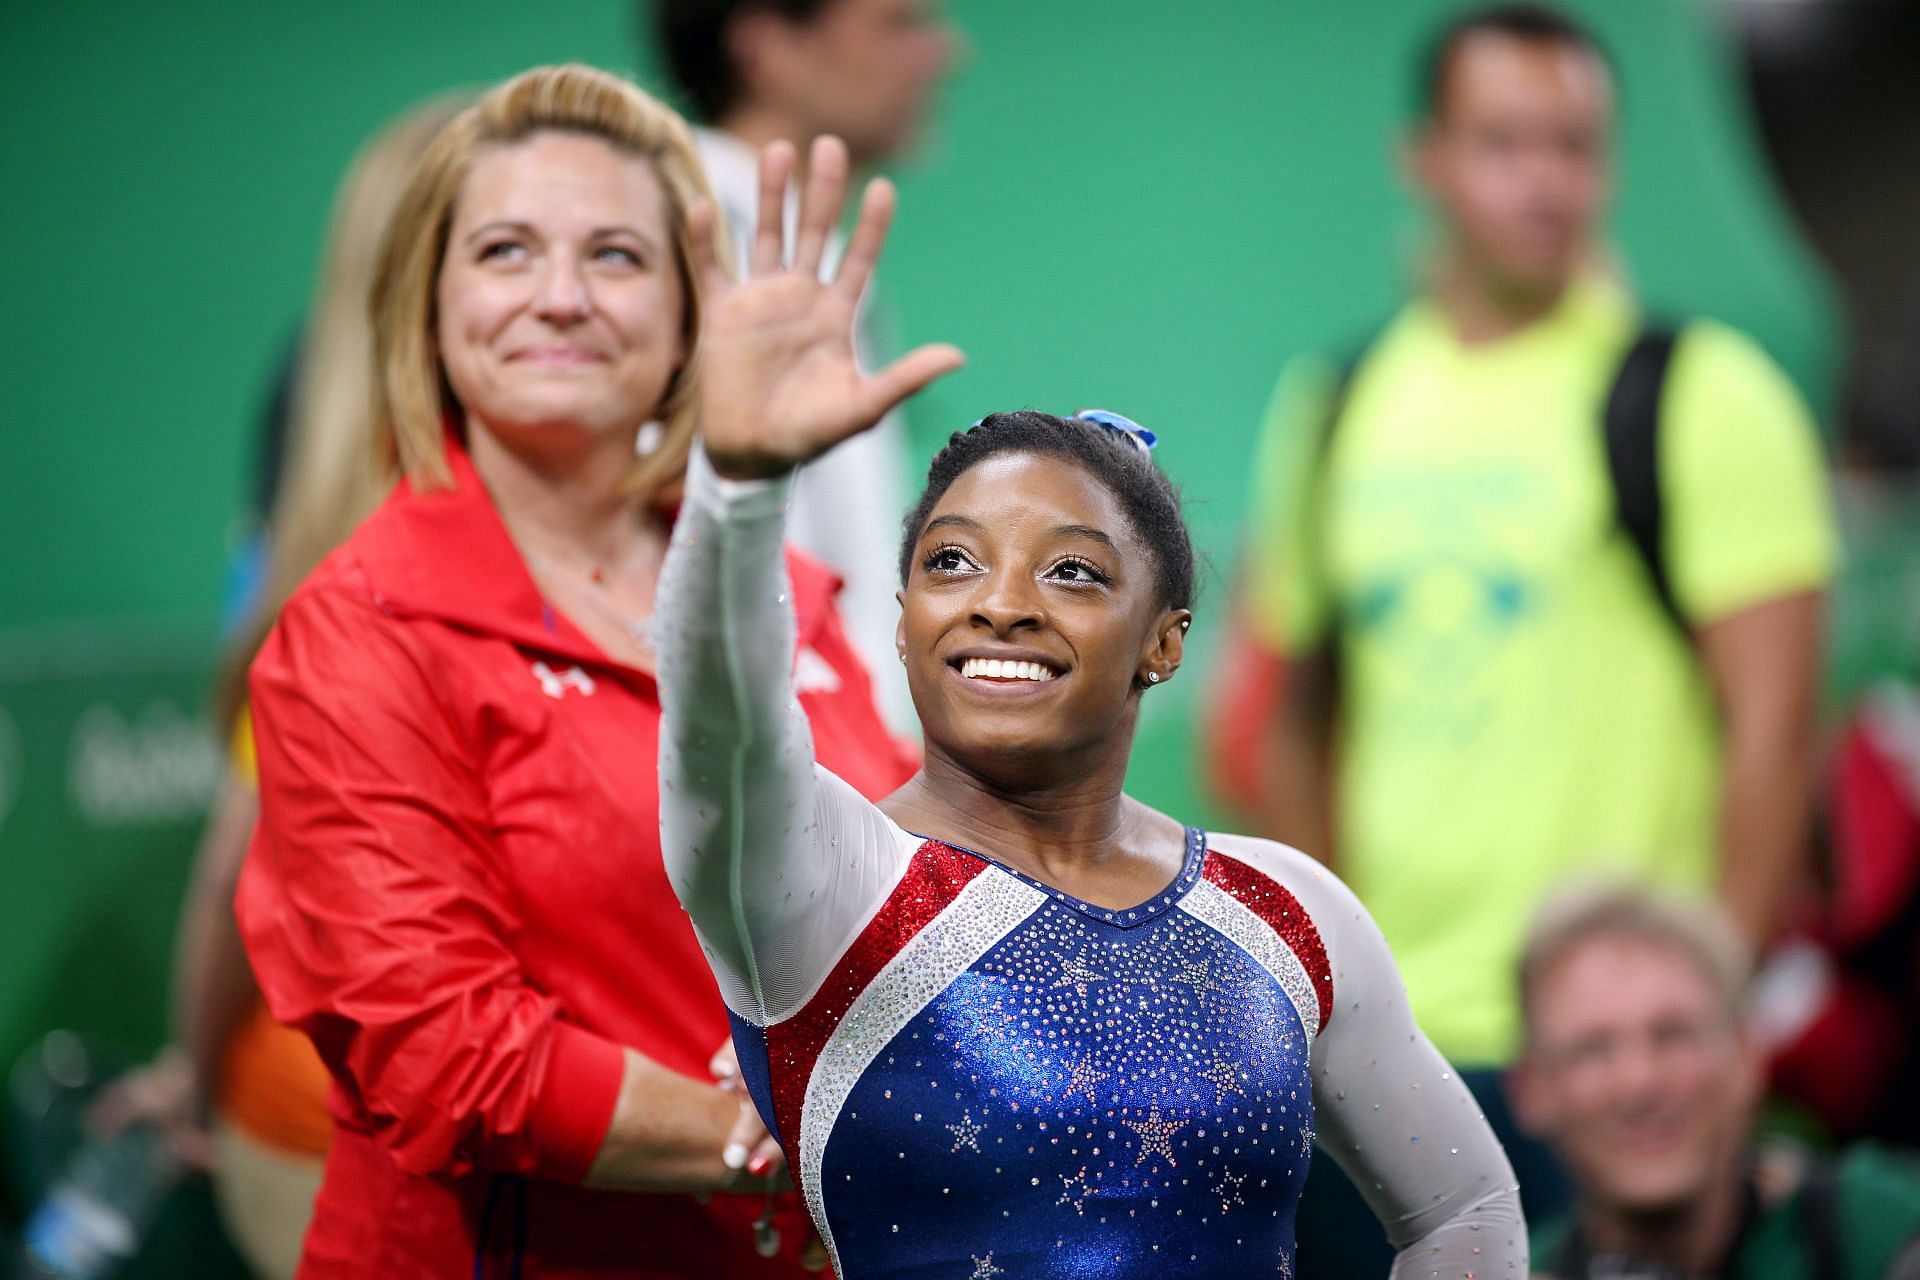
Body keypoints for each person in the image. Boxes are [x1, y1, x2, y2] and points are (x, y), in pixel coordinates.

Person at [653, 132, 1526, 1278]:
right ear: (903, 613)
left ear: (1164, 642)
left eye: (1072, 571)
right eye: (953, 563)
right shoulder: (823, 883)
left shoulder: (1290, 911)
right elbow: (720, 711)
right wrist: (740, 481)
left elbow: (1464, 1206)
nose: (1001, 605)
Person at [235, 64, 918, 1278]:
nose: (560, 297)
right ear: (430, 304)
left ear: (683, 312)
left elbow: (900, 897)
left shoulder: (776, 596)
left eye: (615, 256)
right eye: (504, 251)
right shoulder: (363, 626)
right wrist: (771, 1136)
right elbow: (450, 1053)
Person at [1234, 4, 1838, 1258]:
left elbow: (1776, 730)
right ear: (1428, 160)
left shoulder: (1701, 391)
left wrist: (1701, 1020)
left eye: (1576, 146)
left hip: (1615, 1060)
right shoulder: (1336, 402)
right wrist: (1322, 986)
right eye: (1506, 142)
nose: (1546, 181)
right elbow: (1283, 713)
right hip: (1397, 1049)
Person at [88, 93, 466, 1280]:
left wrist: (187, 1072)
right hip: (358, 1151)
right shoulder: (364, 592)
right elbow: (244, 866)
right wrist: (190, 1076)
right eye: (507, 243)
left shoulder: (319, 549)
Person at [651, 0, 957, 730]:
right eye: (900, 24)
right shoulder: (680, 245)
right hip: (761, 763)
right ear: (769, 48)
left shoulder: (804, 250)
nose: (941, 53)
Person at [1513, 884, 1920, 1278]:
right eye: (1593, 1049)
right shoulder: (1509, 1268)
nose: (1639, 1081)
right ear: (1531, 1088)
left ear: (1748, 1056)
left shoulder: (1879, 1230)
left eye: (1673, 1035)